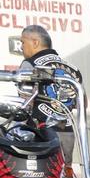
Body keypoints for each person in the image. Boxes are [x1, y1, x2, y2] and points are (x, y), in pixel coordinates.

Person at [18, 24, 79, 155]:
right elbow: (81, 103)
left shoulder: (30, 64)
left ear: (35, 42)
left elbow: (24, 103)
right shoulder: (72, 68)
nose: (21, 47)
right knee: (64, 173)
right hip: (68, 133)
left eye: (23, 42)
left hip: (40, 133)